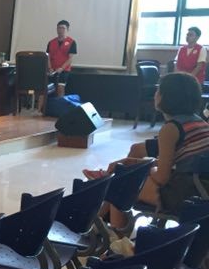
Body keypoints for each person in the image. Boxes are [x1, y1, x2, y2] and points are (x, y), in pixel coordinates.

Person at [83, 72, 209, 227]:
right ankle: (97, 223)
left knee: (121, 185)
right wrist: (136, 164)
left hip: (185, 194)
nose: (155, 94)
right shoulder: (200, 123)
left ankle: (114, 233)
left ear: (167, 97)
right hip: (201, 187)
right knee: (125, 177)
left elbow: (162, 177)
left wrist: (143, 171)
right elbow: (181, 162)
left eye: (158, 90)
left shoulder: (171, 129)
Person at [46, 19, 77, 97]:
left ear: (67, 29)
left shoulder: (71, 42)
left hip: (63, 70)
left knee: (60, 88)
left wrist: (61, 68)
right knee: (44, 88)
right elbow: (48, 56)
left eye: (63, 28)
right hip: (52, 70)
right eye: (59, 28)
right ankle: (41, 105)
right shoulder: (51, 42)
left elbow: (70, 58)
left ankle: (60, 104)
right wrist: (49, 68)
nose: (60, 30)